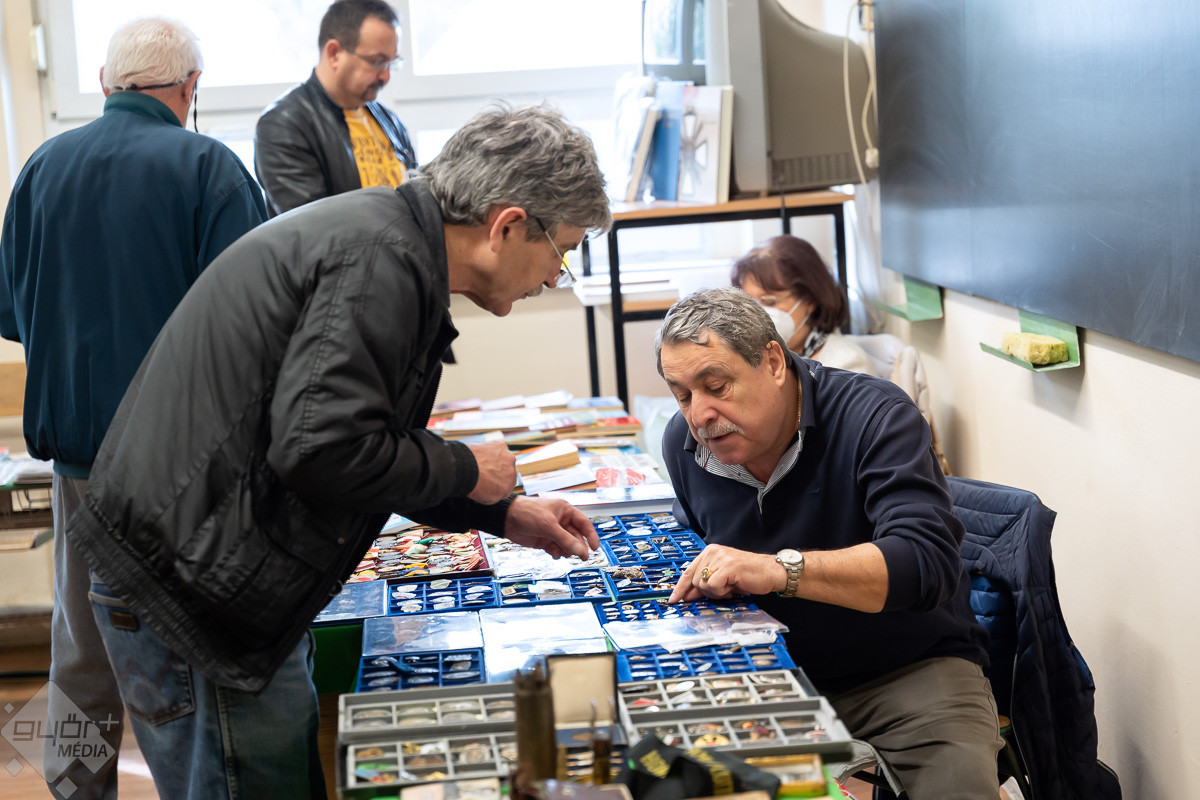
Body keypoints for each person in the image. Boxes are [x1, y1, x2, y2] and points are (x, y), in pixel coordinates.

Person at [66, 103, 610, 799]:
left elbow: (362, 447)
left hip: (198, 570)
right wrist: (466, 466)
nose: (555, 278)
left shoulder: (385, 240)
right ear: (506, 225)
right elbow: (322, 449)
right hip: (195, 593)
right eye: (561, 252)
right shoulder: (380, 261)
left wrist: (500, 514)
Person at [0, 17, 267, 800]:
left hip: (77, 465)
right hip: (177, 469)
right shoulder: (208, 168)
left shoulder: (41, 167)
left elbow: (12, 315)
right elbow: (256, 320)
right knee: (177, 662)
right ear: (190, 88)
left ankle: (75, 789)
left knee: (79, 650)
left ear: (106, 85)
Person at [656, 287, 1002, 798]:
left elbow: (924, 562)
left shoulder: (875, 415)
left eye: (717, 386)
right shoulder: (683, 444)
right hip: (769, 676)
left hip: (907, 669)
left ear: (774, 362)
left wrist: (778, 569)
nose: (699, 415)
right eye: (683, 395)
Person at [254, 0, 417, 217]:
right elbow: (313, 225)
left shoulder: (390, 121)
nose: (386, 76)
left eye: (391, 63)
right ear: (334, 53)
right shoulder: (283, 125)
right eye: (377, 62)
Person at [731, 234, 871, 372]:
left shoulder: (848, 364)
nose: (757, 313)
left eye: (770, 302)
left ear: (810, 300)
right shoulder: (749, 360)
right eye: (749, 303)